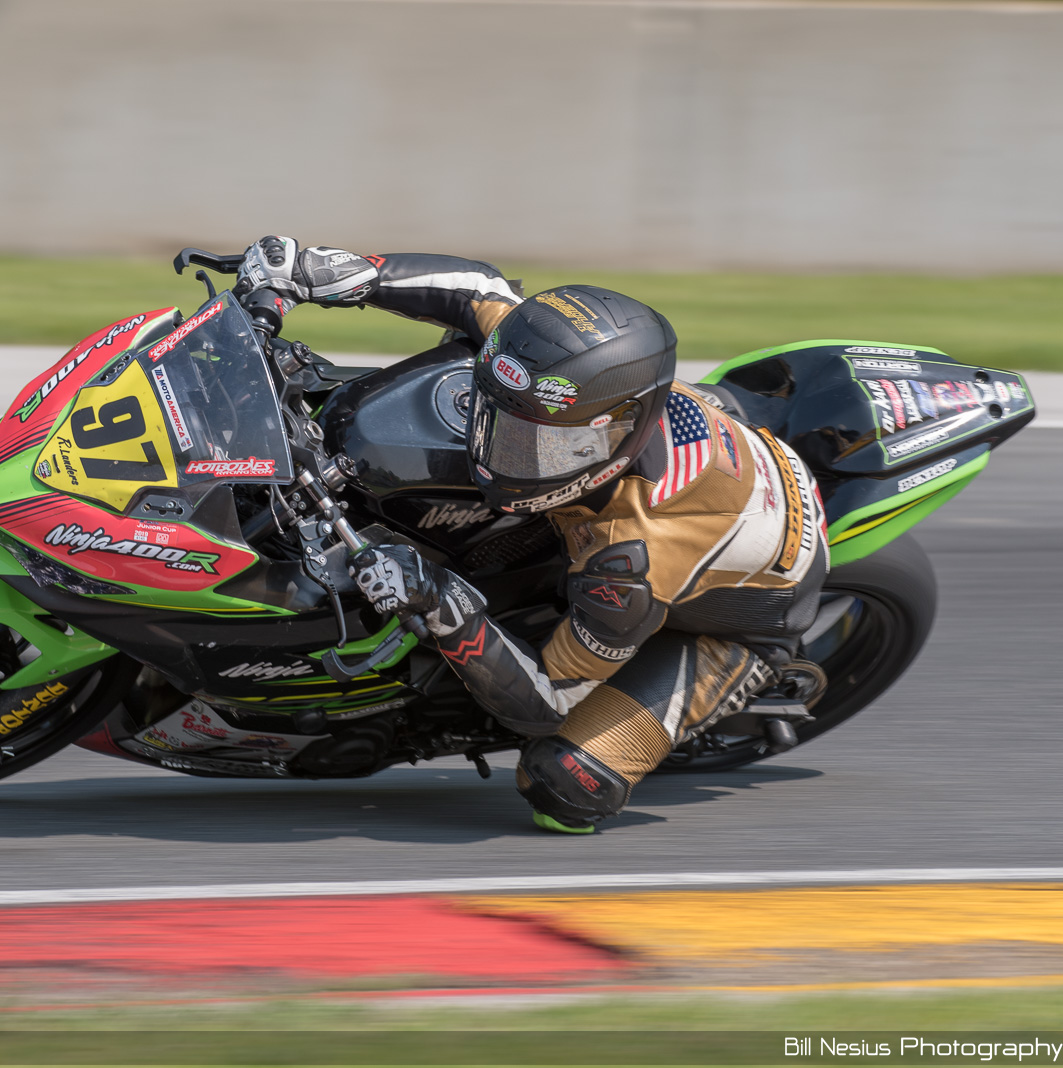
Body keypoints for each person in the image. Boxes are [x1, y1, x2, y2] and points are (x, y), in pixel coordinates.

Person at [234, 236, 830, 833]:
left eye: (534, 443)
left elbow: (548, 701)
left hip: (735, 624)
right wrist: (333, 272)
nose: (498, 450)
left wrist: (439, 599)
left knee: (563, 783)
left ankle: (710, 688)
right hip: (718, 466)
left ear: (610, 442)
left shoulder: (633, 557)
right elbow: (480, 291)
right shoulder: (562, 387)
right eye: (495, 419)